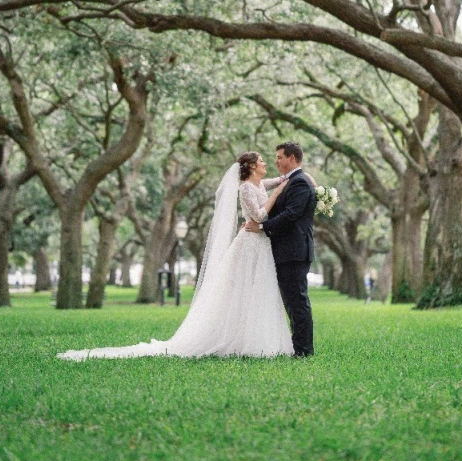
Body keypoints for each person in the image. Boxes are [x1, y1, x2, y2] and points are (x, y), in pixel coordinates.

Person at [57, 152, 293, 360]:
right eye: (262, 161)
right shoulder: (245, 188)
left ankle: (257, 339)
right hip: (250, 243)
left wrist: (290, 179)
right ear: (252, 166)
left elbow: (280, 180)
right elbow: (260, 216)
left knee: (257, 290)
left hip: (260, 244)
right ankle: (240, 340)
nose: (266, 163)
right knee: (243, 290)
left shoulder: (260, 184)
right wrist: (279, 192)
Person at [245, 142, 317, 357]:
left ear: (292, 158)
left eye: (279, 157)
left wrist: (262, 227)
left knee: (298, 302)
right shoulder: (291, 181)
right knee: (292, 302)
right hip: (285, 250)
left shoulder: (299, 183)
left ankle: (304, 351)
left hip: (294, 251)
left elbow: (291, 214)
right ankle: (298, 347)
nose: (275, 161)